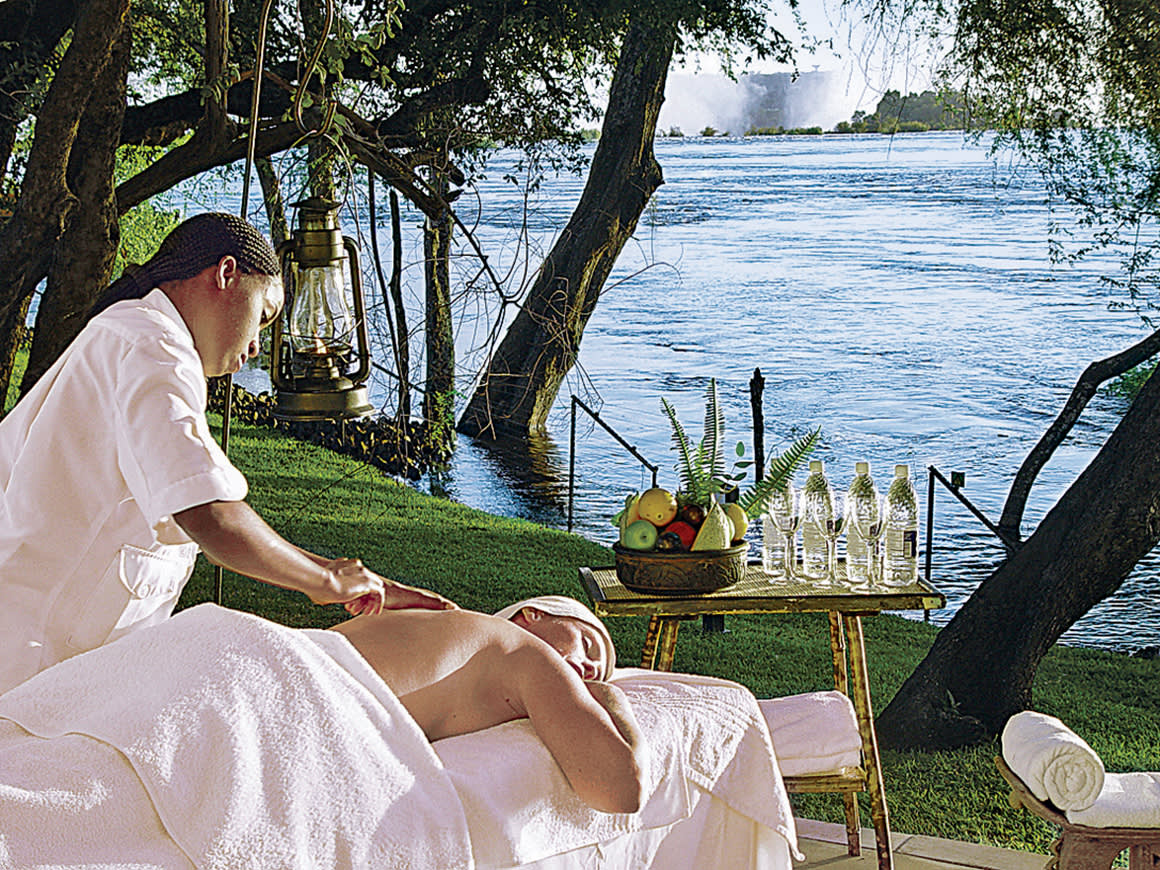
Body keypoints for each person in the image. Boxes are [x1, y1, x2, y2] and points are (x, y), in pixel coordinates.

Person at [0, 212, 453, 695]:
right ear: (226, 274)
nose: (256, 346)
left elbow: (201, 506)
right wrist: (323, 581)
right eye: (262, 316)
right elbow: (209, 515)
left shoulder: (133, 339)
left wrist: (348, 576)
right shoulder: (150, 347)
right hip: (29, 676)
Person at [328, 594, 648, 814]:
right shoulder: (526, 652)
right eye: (587, 645)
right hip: (311, 695)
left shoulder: (455, 631)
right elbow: (620, 790)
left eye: (598, 677)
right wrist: (611, 698)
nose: (591, 670)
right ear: (531, 615)